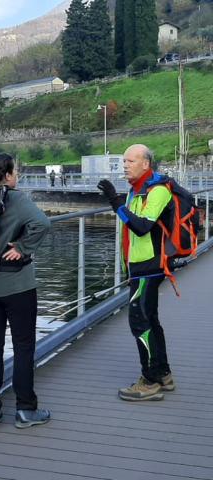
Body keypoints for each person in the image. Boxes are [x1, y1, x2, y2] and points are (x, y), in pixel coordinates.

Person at [0, 152, 51, 430]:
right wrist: (22, 247)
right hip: (17, 285)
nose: (17, 176)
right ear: (7, 175)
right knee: (23, 346)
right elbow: (43, 223)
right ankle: (26, 410)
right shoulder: (16, 199)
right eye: (15, 172)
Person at [97, 144, 175, 401]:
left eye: (130, 161)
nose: (125, 165)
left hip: (149, 267)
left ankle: (149, 381)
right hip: (140, 267)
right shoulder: (138, 190)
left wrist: (114, 200)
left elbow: (141, 227)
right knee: (150, 320)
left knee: (140, 323)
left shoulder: (158, 190)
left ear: (145, 164)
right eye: (124, 161)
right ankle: (162, 374)